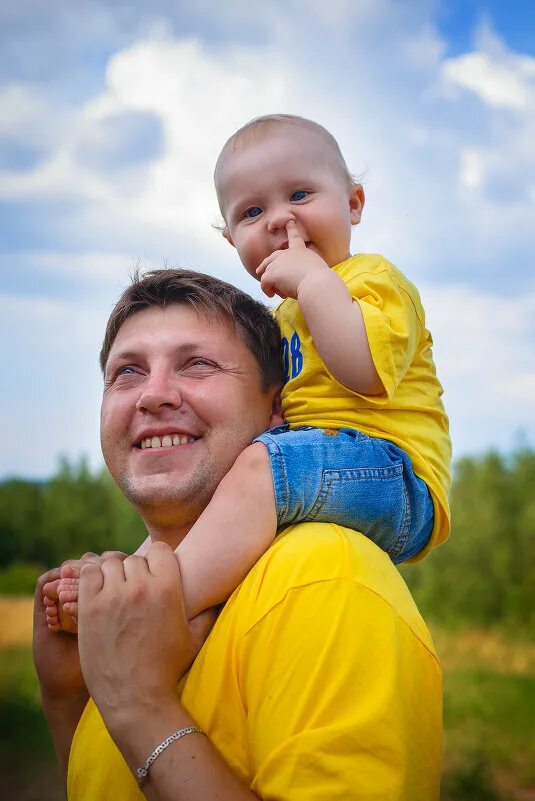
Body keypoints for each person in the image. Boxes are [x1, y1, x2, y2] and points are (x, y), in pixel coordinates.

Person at [33, 269, 442, 799]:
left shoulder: (322, 575)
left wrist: (137, 702)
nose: (152, 395)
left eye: (197, 364)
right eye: (127, 372)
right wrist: (70, 694)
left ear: (278, 409)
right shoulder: (125, 615)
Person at [45, 114, 451, 632]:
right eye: (253, 211)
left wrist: (313, 281)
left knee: (260, 467)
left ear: (353, 204)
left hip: (395, 473)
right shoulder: (283, 318)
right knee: (230, 490)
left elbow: (364, 371)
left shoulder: (371, 280)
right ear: (232, 239)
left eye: (301, 194)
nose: (281, 221)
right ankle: (154, 591)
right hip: (327, 461)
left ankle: (156, 605)